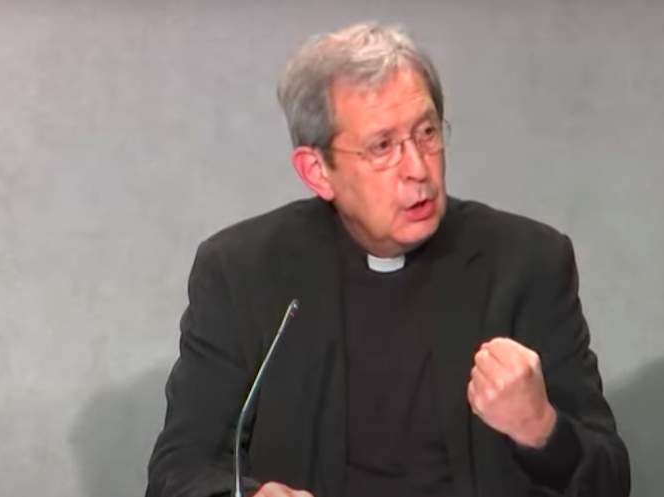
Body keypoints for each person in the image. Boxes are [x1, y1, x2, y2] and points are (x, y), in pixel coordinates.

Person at [145, 21, 631, 497]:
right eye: (381, 147)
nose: (418, 168)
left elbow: (610, 481)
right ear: (317, 172)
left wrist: (542, 429)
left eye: (427, 133)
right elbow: (179, 473)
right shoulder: (242, 273)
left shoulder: (526, 263)